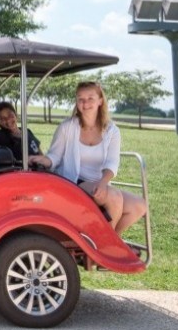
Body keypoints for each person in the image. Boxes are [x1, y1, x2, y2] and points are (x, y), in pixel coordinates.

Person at [29, 81, 147, 234]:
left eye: (90, 98)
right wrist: (42, 159)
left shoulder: (112, 130)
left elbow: (112, 163)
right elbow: (54, 156)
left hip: (99, 182)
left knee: (139, 206)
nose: (85, 103)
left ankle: (107, 241)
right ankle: (107, 248)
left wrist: (103, 183)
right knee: (114, 197)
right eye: (80, 99)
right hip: (72, 182)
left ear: (100, 101)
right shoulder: (67, 127)